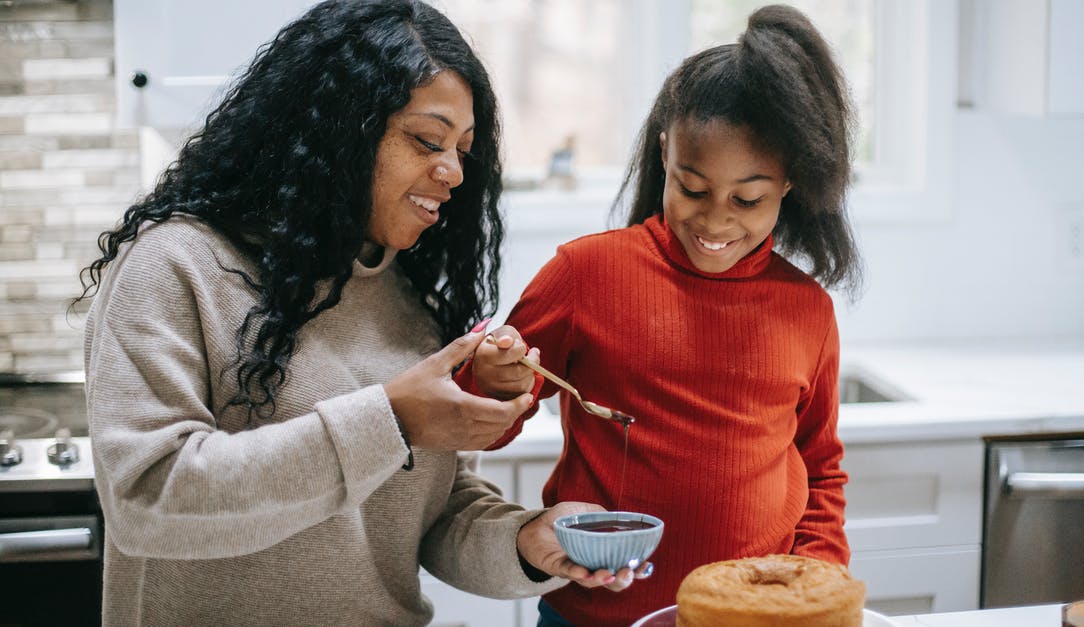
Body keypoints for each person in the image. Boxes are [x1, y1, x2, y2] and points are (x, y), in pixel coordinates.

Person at [75, 2, 644, 625]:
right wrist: (393, 420)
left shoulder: (410, 301)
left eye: (463, 149)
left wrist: (526, 540)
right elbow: (148, 499)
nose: (454, 171)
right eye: (428, 141)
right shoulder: (175, 264)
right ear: (337, 129)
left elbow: (435, 513)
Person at [465, 5, 864, 626]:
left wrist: (817, 581)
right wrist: (495, 382)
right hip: (592, 615)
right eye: (693, 188)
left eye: (748, 198)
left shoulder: (807, 310)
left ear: (789, 183)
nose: (715, 220)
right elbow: (479, 426)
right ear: (665, 157)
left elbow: (820, 467)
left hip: (751, 618)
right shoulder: (585, 273)